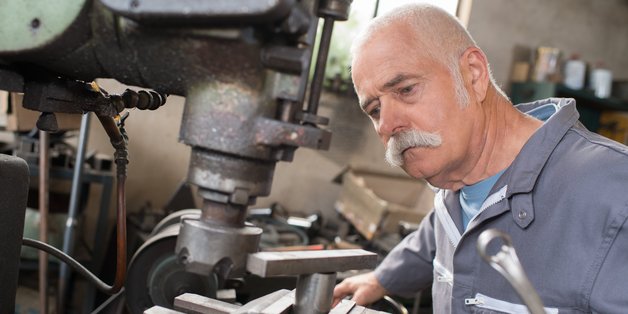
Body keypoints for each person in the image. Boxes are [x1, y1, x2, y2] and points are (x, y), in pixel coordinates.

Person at [332, 3, 628, 313]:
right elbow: (437, 235)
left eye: (406, 89)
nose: (388, 125)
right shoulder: (456, 178)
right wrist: (382, 279)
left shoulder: (614, 195)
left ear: (473, 75)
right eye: (375, 110)